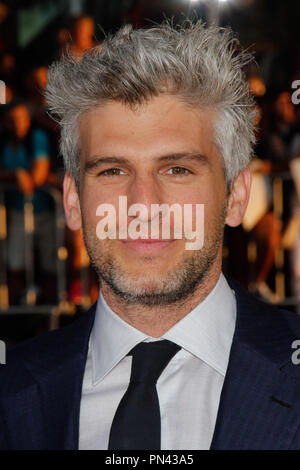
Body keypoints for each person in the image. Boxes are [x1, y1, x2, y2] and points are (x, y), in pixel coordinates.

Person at [1, 20, 300, 450]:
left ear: (235, 195)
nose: (143, 204)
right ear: (72, 200)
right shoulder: (11, 396)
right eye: (112, 170)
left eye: (177, 169)